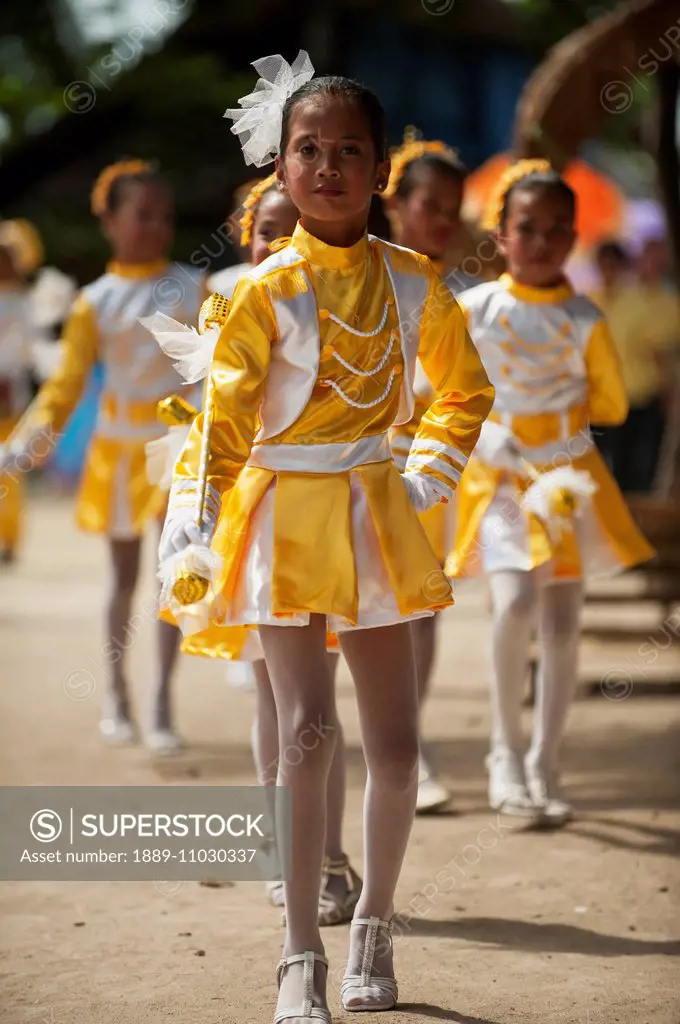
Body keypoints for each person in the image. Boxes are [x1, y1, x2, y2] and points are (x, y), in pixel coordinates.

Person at [158, 52, 493, 1022]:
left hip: (377, 513)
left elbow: (462, 390)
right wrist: (196, 522)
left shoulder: (415, 281)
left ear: (382, 169)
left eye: (351, 150)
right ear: (282, 167)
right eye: (308, 149)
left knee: (393, 740)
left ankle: (376, 923)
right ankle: (298, 947)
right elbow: (221, 419)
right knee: (307, 731)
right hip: (281, 519)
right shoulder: (255, 293)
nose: (329, 166)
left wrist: (428, 470)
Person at [148, 172, 363, 923]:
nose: (278, 241)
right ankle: (287, 848)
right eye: (266, 229)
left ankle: (329, 852)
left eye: (290, 228)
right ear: (247, 235)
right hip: (248, 511)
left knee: (318, 700)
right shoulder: (231, 297)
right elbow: (213, 415)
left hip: (321, 513)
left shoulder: (330, 294)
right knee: (274, 693)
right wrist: (192, 514)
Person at [448, 160, 655, 826]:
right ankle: (504, 755)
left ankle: (546, 761)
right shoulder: (474, 309)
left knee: (565, 623)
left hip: (568, 479)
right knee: (513, 603)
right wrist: (487, 438)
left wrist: (564, 428)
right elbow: (442, 392)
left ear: (573, 240)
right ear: (500, 234)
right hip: (502, 476)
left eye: (556, 231)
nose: (539, 242)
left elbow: (614, 404)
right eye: (526, 228)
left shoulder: (583, 315)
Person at [0, 159, 206, 752]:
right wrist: (27, 440)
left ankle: (164, 697)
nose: (155, 228)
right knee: (122, 577)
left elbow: (220, 362)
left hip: (175, 450)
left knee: (175, 576)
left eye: (164, 217)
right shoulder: (95, 302)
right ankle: (117, 692)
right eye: (141, 216)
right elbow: (64, 386)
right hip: (117, 454)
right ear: (110, 222)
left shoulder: (197, 287)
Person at [383, 130, 479, 815]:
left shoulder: (464, 292)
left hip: (431, 471)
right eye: (430, 205)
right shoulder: (370, 272)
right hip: (359, 464)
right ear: (396, 205)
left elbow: (468, 389)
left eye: (454, 208)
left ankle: (408, 748)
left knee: (422, 610)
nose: (443, 220)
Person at [590, 237, 680, 493]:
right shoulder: (589, 301)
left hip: (639, 398)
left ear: (620, 267)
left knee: (637, 469)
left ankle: (633, 521)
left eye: (611, 265)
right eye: (602, 265)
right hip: (600, 401)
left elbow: (659, 353)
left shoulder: (638, 302)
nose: (606, 271)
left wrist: (669, 391)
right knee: (604, 467)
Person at [0, 219, 43, 562]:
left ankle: (10, 537)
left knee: (9, 469)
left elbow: (27, 350)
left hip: (8, 395)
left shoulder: (25, 302)